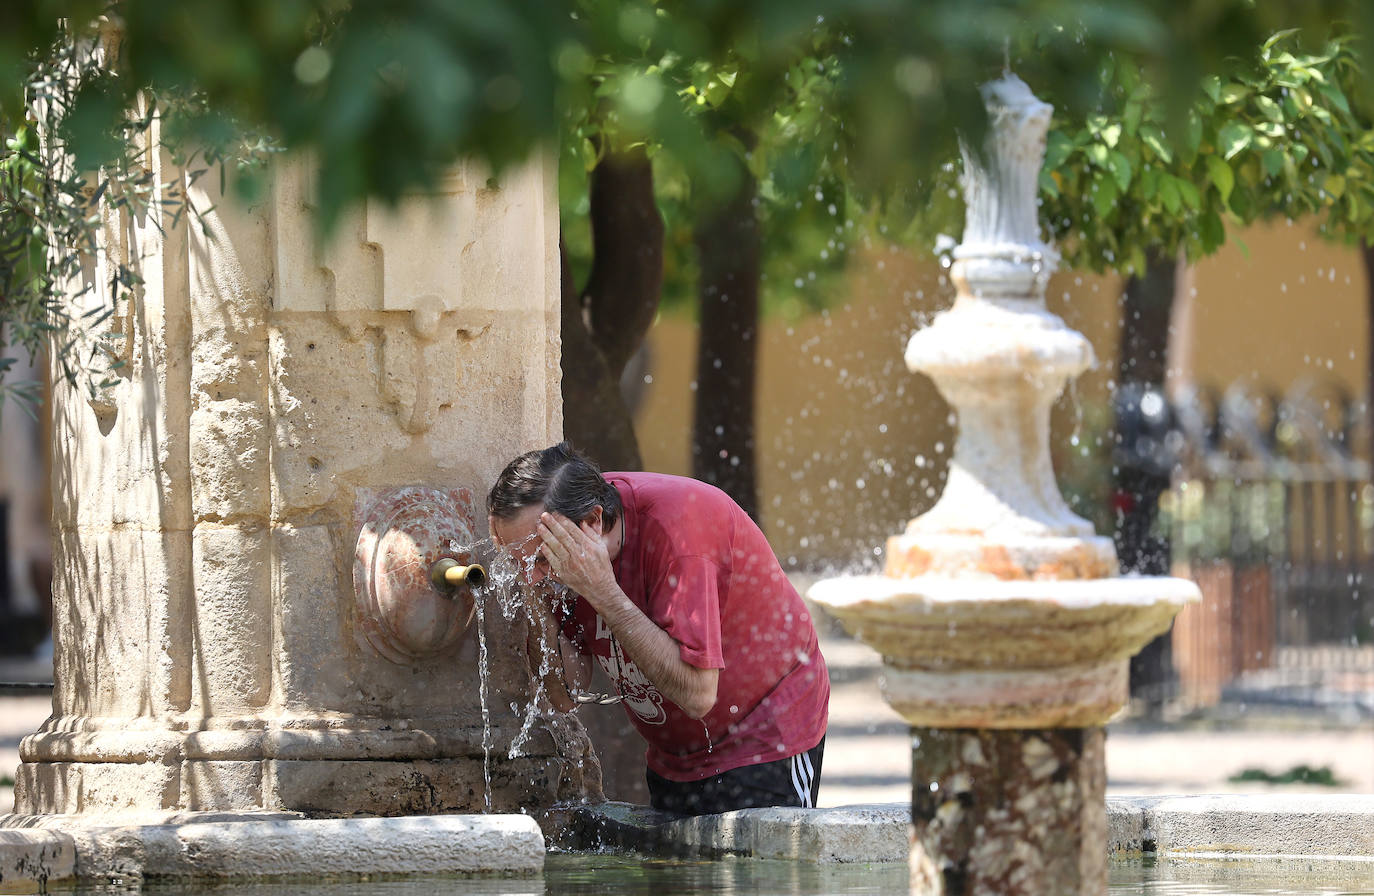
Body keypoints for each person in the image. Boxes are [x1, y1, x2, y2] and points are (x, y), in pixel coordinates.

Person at [487, 443, 829, 816]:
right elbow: (564, 693)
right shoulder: (558, 555)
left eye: (538, 558)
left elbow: (698, 695)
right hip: (675, 756)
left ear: (592, 523)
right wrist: (532, 591)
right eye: (517, 560)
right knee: (680, 874)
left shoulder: (680, 531)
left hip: (764, 735)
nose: (531, 574)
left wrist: (602, 590)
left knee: (757, 873)